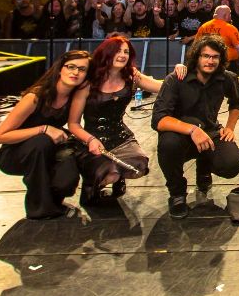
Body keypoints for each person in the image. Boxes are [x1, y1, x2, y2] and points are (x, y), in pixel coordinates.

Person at [67, 37, 171, 206]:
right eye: (118, 50)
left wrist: (180, 71)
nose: (122, 55)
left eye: (126, 52)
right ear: (106, 53)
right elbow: (73, 124)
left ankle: (117, 175)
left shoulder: (131, 76)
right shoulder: (88, 83)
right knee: (111, 173)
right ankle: (92, 184)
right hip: (91, 140)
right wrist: (90, 140)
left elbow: (163, 86)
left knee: (138, 166)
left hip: (121, 137)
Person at [151, 35, 239, 219]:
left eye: (215, 57)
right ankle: (177, 193)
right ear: (197, 57)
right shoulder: (177, 79)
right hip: (180, 136)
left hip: (211, 132)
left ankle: (204, 166)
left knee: (232, 164)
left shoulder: (226, 78)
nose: (210, 61)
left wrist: (230, 128)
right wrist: (193, 130)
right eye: (205, 56)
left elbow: (238, 101)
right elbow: (159, 120)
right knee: (167, 145)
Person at [0, 51, 90, 219]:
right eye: (71, 67)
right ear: (60, 69)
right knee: (41, 142)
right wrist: (43, 129)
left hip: (47, 149)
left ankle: (54, 200)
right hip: (16, 153)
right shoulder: (35, 97)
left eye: (82, 69)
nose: (75, 72)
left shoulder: (73, 96)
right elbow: (0, 136)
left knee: (67, 181)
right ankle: (39, 208)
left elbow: (74, 124)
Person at [196, 4, 239, 74]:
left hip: (207, 64)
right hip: (226, 65)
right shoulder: (230, 28)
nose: (230, 16)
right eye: (229, 14)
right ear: (225, 15)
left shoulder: (203, 27)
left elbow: (196, 46)